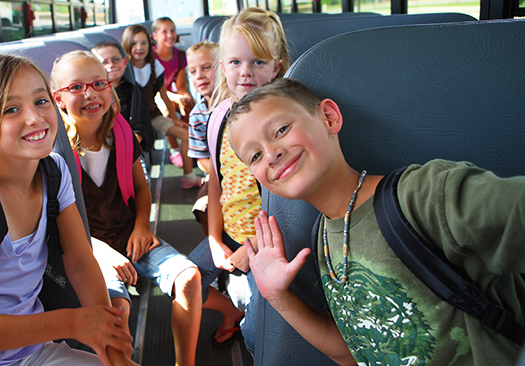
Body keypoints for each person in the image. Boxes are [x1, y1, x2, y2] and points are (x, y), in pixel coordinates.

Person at [228, 77, 525, 365]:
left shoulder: (423, 194)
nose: (271, 154)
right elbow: (352, 352)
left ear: (329, 118)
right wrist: (278, 296)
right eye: (254, 156)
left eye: (281, 129)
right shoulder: (324, 241)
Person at [0, 54, 136, 366]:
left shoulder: (53, 172)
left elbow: (81, 263)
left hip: (30, 351)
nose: (35, 118)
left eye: (41, 101)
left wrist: (112, 349)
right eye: (11, 109)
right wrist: (73, 323)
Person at [50, 50, 203, 366]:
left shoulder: (120, 133)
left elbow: (142, 187)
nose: (90, 93)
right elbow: (56, 227)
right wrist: (102, 252)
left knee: (189, 277)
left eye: (98, 84)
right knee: (117, 308)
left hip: (130, 234)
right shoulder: (54, 152)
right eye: (76, 87)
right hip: (88, 250)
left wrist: (142, 226)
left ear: (110, 88)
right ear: (59, 98)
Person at [187, 8, 289, 353]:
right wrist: (215, 238)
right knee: (184, 284)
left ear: (277, 66)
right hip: (230, 231)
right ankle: (231, 311)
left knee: (256, 335)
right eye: (234, 62)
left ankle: (247, 327)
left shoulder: (283, 125)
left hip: (271, 242)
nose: (245, 72)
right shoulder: (218, 118)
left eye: (258, 62)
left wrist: (252, 249)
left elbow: (293, 204)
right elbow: (217, 184)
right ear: (222, 67)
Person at [122, 24, 202, 189]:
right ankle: (136, 187)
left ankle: (189, 176)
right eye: (135, 43)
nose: (139, 48)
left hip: (153, 116)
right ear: (127, 45)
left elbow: (164, 95)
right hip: (134, 121)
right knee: (133, 145)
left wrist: (174, 118)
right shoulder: (124, 69)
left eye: (144, 43)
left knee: (186, 134)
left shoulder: (154, 66)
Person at [91, 40, 155, 154]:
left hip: (127, 149)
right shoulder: (90, 96)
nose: (111, 65)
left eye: (115, 59)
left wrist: (123, 149)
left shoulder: (134, 94)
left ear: (125, 62)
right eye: (104, 62)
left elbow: (141, 129)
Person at [186, 40, 219, 236]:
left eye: (207, 68)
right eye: (193, 72)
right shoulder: (197, 115)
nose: (199, 75)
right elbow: (202, 159)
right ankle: (213, 241)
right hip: (216, 174)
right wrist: (221, 176)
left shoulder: (236, 103)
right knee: (203, 206)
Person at [152, 17, 195, 164]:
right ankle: (174, 149)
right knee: (167, 110)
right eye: (164, 32)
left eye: (172, 31)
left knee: (188, 105)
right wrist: (176, 98)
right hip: (156, 95)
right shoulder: (151, 57)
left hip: (172, 92)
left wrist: (185, 97)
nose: (170, 35)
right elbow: (157, 91)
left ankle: (189, 145)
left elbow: (181, 85)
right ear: (155, 36)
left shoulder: (180, 55)